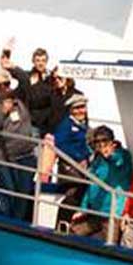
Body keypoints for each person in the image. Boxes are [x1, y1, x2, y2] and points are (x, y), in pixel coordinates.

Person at [0, 71, 38, 222]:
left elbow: (25, 81)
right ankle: (4, 222)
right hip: (4, 156)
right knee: (10, 192)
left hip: (26, 154)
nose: (4, 88)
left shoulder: (19, 100)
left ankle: (18, 224)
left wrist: (12, 68)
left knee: (24, 194)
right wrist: (2, 112)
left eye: (7, 84)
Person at [74, 125, 132, 239]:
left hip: (112, 211)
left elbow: (118, 161)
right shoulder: (98, 159)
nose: (101, 144)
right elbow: (92, 185)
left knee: (108, 244)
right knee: (74, 230)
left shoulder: (123, 155)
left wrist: (110, 155)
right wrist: (83, 209)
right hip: (96, 210)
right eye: (97, 141)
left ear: (112, 141)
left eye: (104, 140)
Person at [47, 94, 93, 228]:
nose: (80, 111)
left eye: (82, 107)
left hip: (83, 168)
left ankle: (72, 225)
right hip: (70, 169)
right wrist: (79, 157)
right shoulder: (66, 125)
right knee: (73, 196)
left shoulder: (83, 124)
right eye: (77, 108)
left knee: (80, 196)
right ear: (71, 110)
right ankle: (61, 225)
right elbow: (60, 144)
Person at [0, 41, 59, 135]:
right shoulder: (27, 76)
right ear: (33, 61)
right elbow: (19, 76)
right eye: (38, 60)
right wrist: (9, 62)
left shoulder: (51, 80)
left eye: (43, 60)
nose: (40, 63)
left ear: (47, 62)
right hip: (30, 123)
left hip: (46, 125)